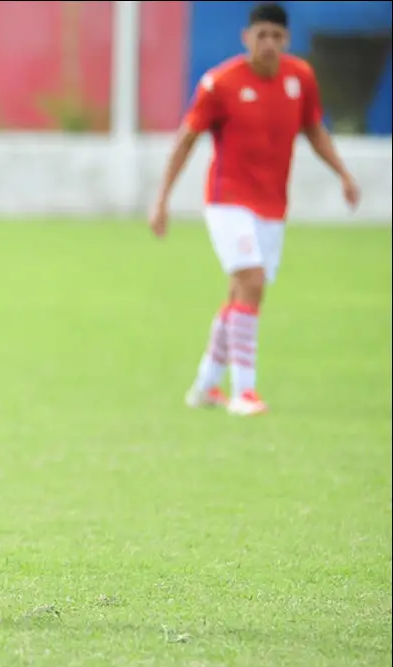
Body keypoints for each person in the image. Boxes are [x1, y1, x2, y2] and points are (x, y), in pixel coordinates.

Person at [148, 2, 360, 416]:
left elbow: (313, 129)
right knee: (252, 280)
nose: (268, 44)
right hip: (227, 202)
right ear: (246, 38)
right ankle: (244, 391)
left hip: (272, 205)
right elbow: (186, 139)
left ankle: (206, 385)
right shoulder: (220, 83)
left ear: (287, 40)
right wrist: (162, 199)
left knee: (240, 291)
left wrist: (343, 174)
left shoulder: (300, 78)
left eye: (276, 36)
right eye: (261, 35)